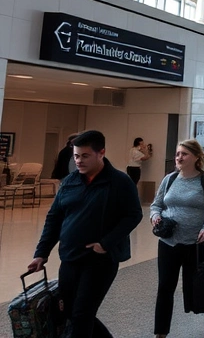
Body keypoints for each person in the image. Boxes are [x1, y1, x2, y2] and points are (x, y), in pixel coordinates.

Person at [28, 130, 143, 338]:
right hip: (70, 257)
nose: (79, 161)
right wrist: (41, 253)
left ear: (101, 153)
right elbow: (54, 218)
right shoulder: (70, 182)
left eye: (85, 156)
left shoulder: (119, 182)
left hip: (100, 260)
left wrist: (105, 243)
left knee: (82, 314)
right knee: (72, 312)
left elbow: (133, 215)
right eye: (76, 156)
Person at [150, 139, 204, 336]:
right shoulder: (170, 179)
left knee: (196, 286)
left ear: (196, 157)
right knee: (165, 287)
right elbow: (156, 205)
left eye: (184, 154)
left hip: (195, 243)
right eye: (177, 154)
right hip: (168, 241)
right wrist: (155, 216)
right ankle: (161, 332)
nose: (179, 157)